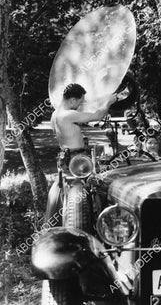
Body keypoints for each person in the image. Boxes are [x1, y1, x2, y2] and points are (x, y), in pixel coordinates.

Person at [46, 83, 117, 225]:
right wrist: (109, 101)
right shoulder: (68, 115)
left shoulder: (55, 115)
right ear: (72, 100)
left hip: (65, 158)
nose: (80, 105)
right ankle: (93, 224)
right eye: (80, 101)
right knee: (89, 192)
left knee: (69, 192)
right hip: (77, 161)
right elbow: (97, 115)